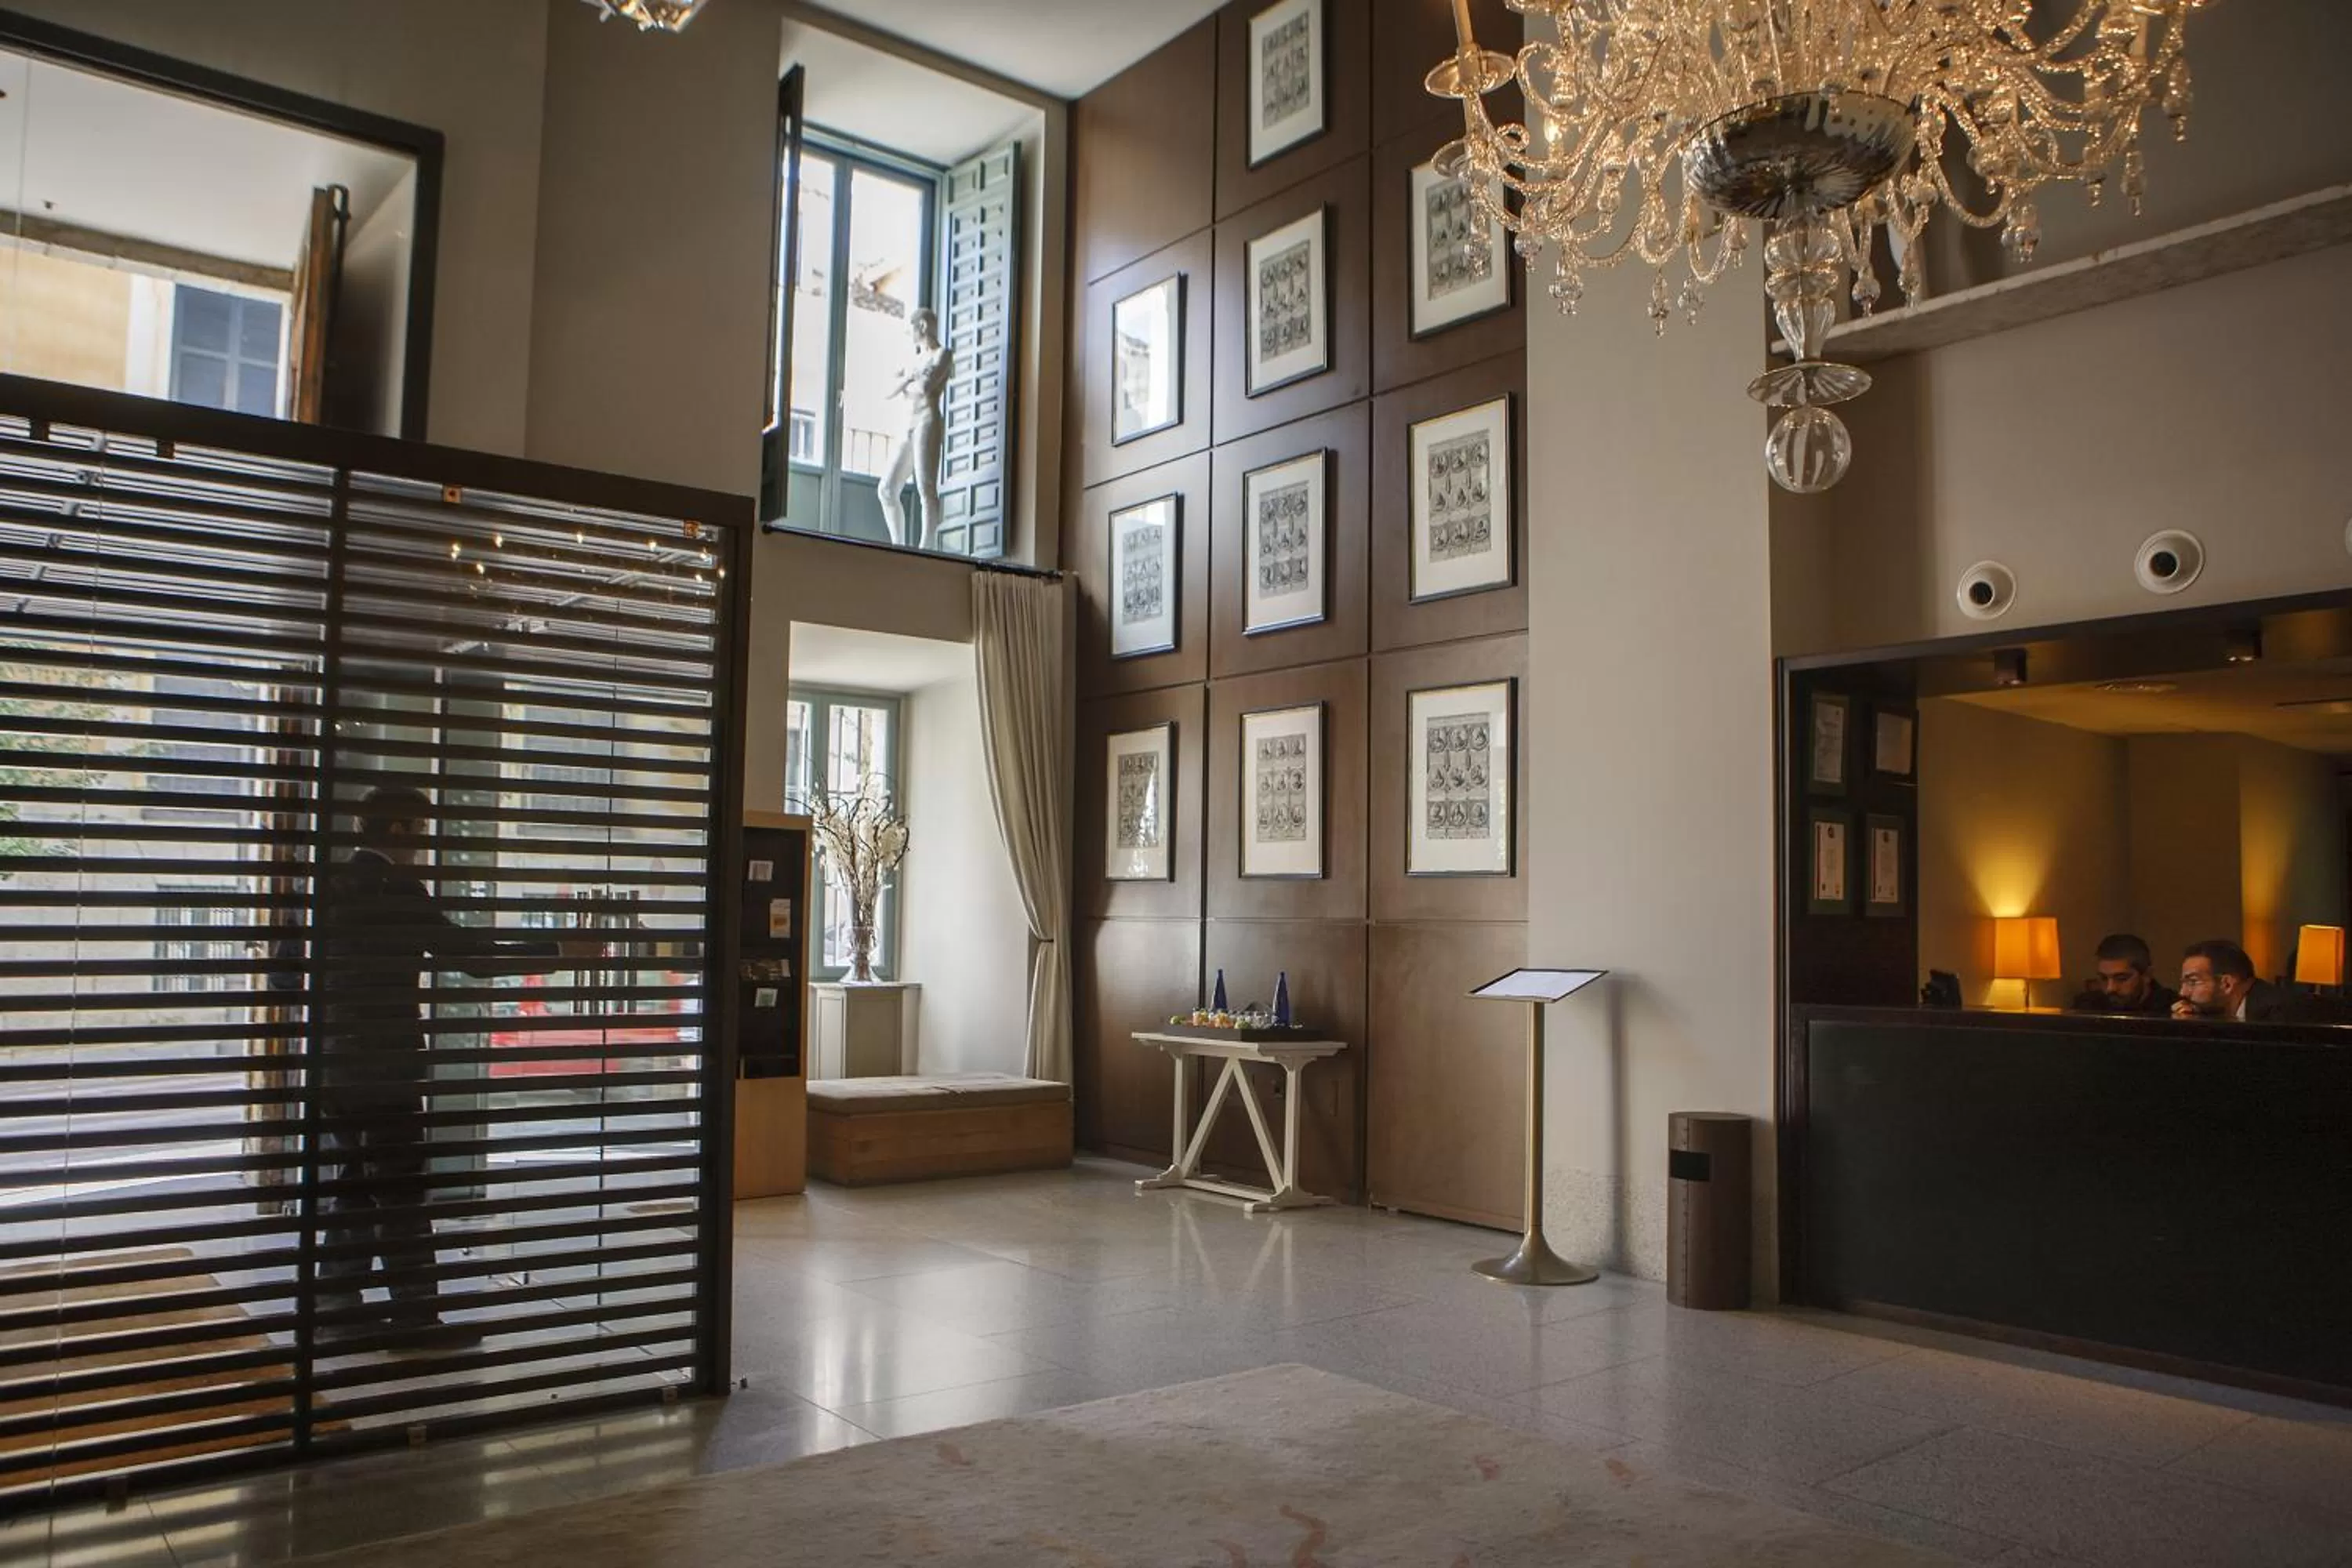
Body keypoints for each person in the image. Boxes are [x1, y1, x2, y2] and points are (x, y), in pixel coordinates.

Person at [305, 784, 597, 1342]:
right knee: (401, 1188)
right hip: (385, 1065)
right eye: (423, 830)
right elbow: (471, 960)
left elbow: (286, 970)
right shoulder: (398, 890)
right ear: (399, 830)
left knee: (356, 1179)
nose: (429, 842)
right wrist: (556, 952)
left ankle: (337, 1296)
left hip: (334, 1065)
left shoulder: (331, 887)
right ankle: (415, 1315)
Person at [876, 307, 953, 551]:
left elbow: (927, 387)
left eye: (911, 328)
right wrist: (911, 377)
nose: (909, 334)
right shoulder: (915, 360)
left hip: (927, 421)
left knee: (926, 486)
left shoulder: (943, 354)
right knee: (886, 488)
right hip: (908, 424)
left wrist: (908, 380)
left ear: (922, 326)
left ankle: (926, 546)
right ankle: (898, 546)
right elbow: (887, 391)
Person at [2172, 938, 2298, 1023]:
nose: (2182, 993)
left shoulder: (2278, 1013)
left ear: (2226, 984)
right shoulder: (2214, 1011)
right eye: (2183, 983)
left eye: (2192, 982)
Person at [2069, 934, 2178, 1016]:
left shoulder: (2171, 1009)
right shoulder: (2087, 1006)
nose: (2110, 988)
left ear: (2147, 975)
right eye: (2104, 978)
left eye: (2121, 979)